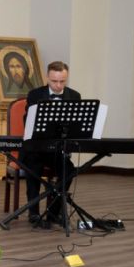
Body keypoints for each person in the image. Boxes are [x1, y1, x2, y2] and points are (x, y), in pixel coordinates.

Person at [21, 61, 81, 228]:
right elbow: (28, 124)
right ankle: (33, 213)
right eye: (54, 81)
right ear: (47, 77)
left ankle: (54, 211)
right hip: (36, 149)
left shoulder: (74, 96)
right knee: (33, 168)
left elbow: (76, 126)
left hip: (58, 151)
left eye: (62, 81)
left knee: (69, 170)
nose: (58, 85)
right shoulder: (35, 95)